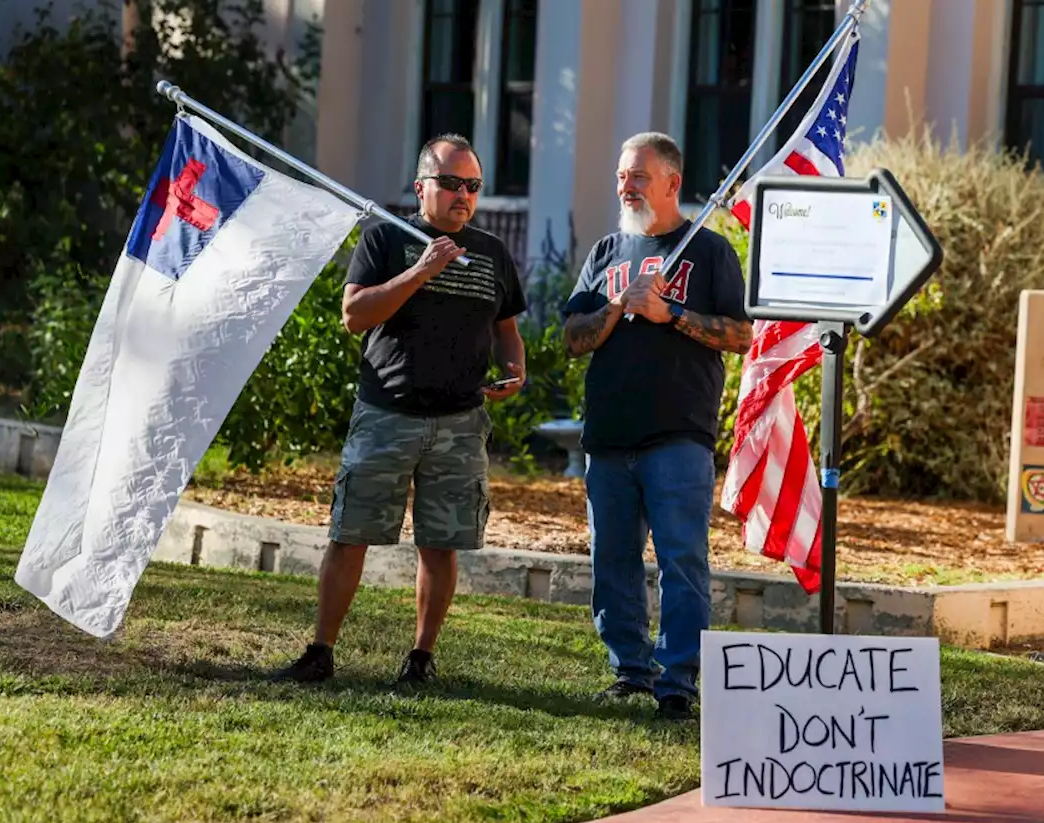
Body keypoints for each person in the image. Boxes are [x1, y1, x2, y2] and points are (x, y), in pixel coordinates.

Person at [272, 133, 528, 686]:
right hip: (388, 412)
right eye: (451, 183)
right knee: (350, 535)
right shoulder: (387, 238)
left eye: (473, 186)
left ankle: (420, 660)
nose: (463, 195)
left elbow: (506, 327)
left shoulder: (492, 253)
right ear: (421, 187)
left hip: (461, 422)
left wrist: (516, 369)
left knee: (440, 545)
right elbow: (354, 315)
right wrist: (420, 272)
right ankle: (320, 652)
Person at [561, 131, 753, 720]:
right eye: (622, 175)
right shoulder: (605, 252)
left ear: (671, 182)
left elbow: (741, 337)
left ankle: (678, 682)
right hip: (610, 436)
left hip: (679, 434)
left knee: (681, 559)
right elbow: (573, 338)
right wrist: (619, 307)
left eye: (639, 176)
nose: (626, 185)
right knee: (612, 559)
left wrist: (671, 315)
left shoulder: (710, 251)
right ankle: (629, 669)